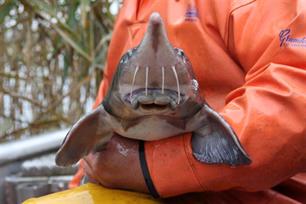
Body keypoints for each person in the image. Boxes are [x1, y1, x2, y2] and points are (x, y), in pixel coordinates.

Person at [70, 0, 306, 202]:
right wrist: (80, 186)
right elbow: (99, 125)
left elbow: (297, 87)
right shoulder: (131, 8)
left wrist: (150, 167)